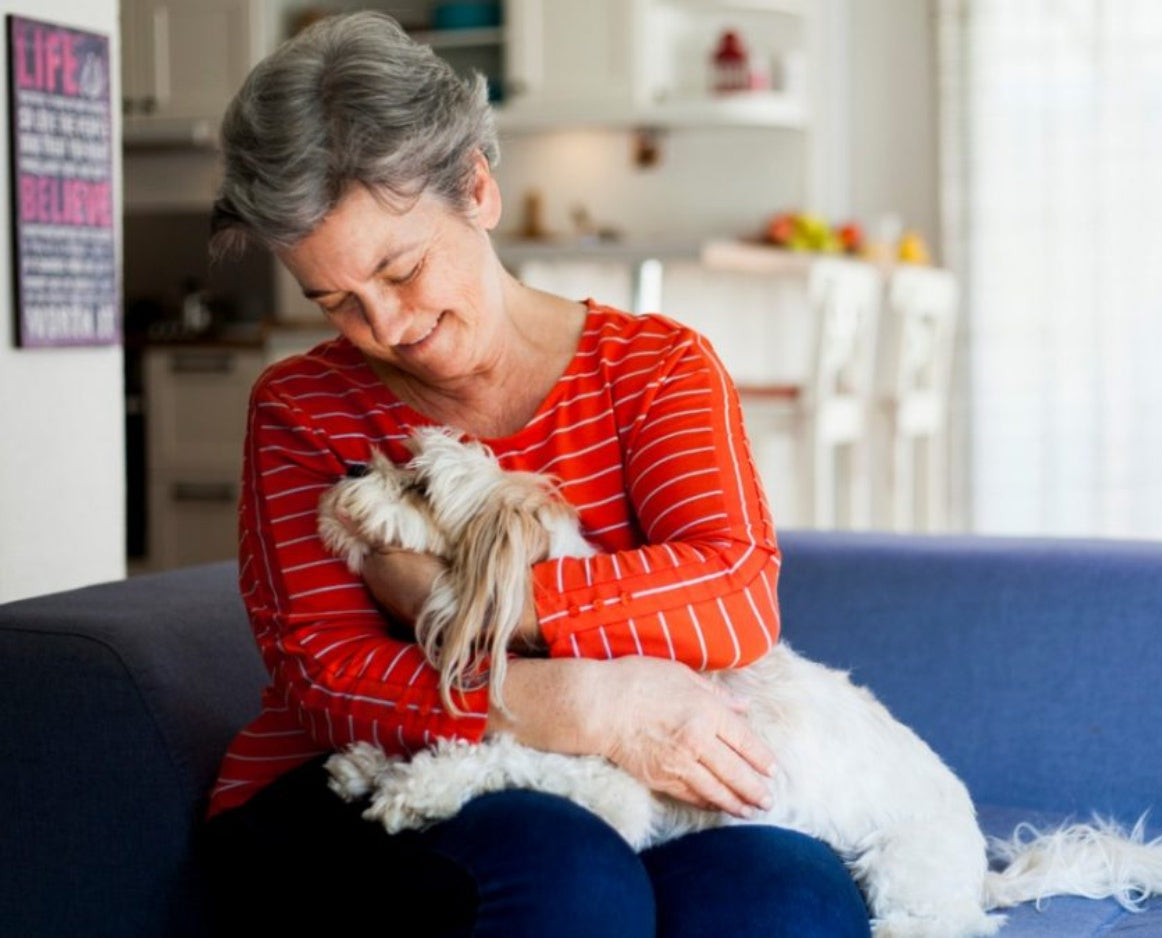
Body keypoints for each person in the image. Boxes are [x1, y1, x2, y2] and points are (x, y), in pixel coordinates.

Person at [202, 11, 869, 937]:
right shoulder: (301, 406)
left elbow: (733, 597)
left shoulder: (654, 367)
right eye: (336, 301)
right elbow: (329, 678)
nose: (386, 328)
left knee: (784, 897)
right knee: (565, 875)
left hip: (636, 782)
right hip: (357, 785)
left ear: (477, 189)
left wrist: (477, 600)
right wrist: (587, 701)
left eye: (401, 270)